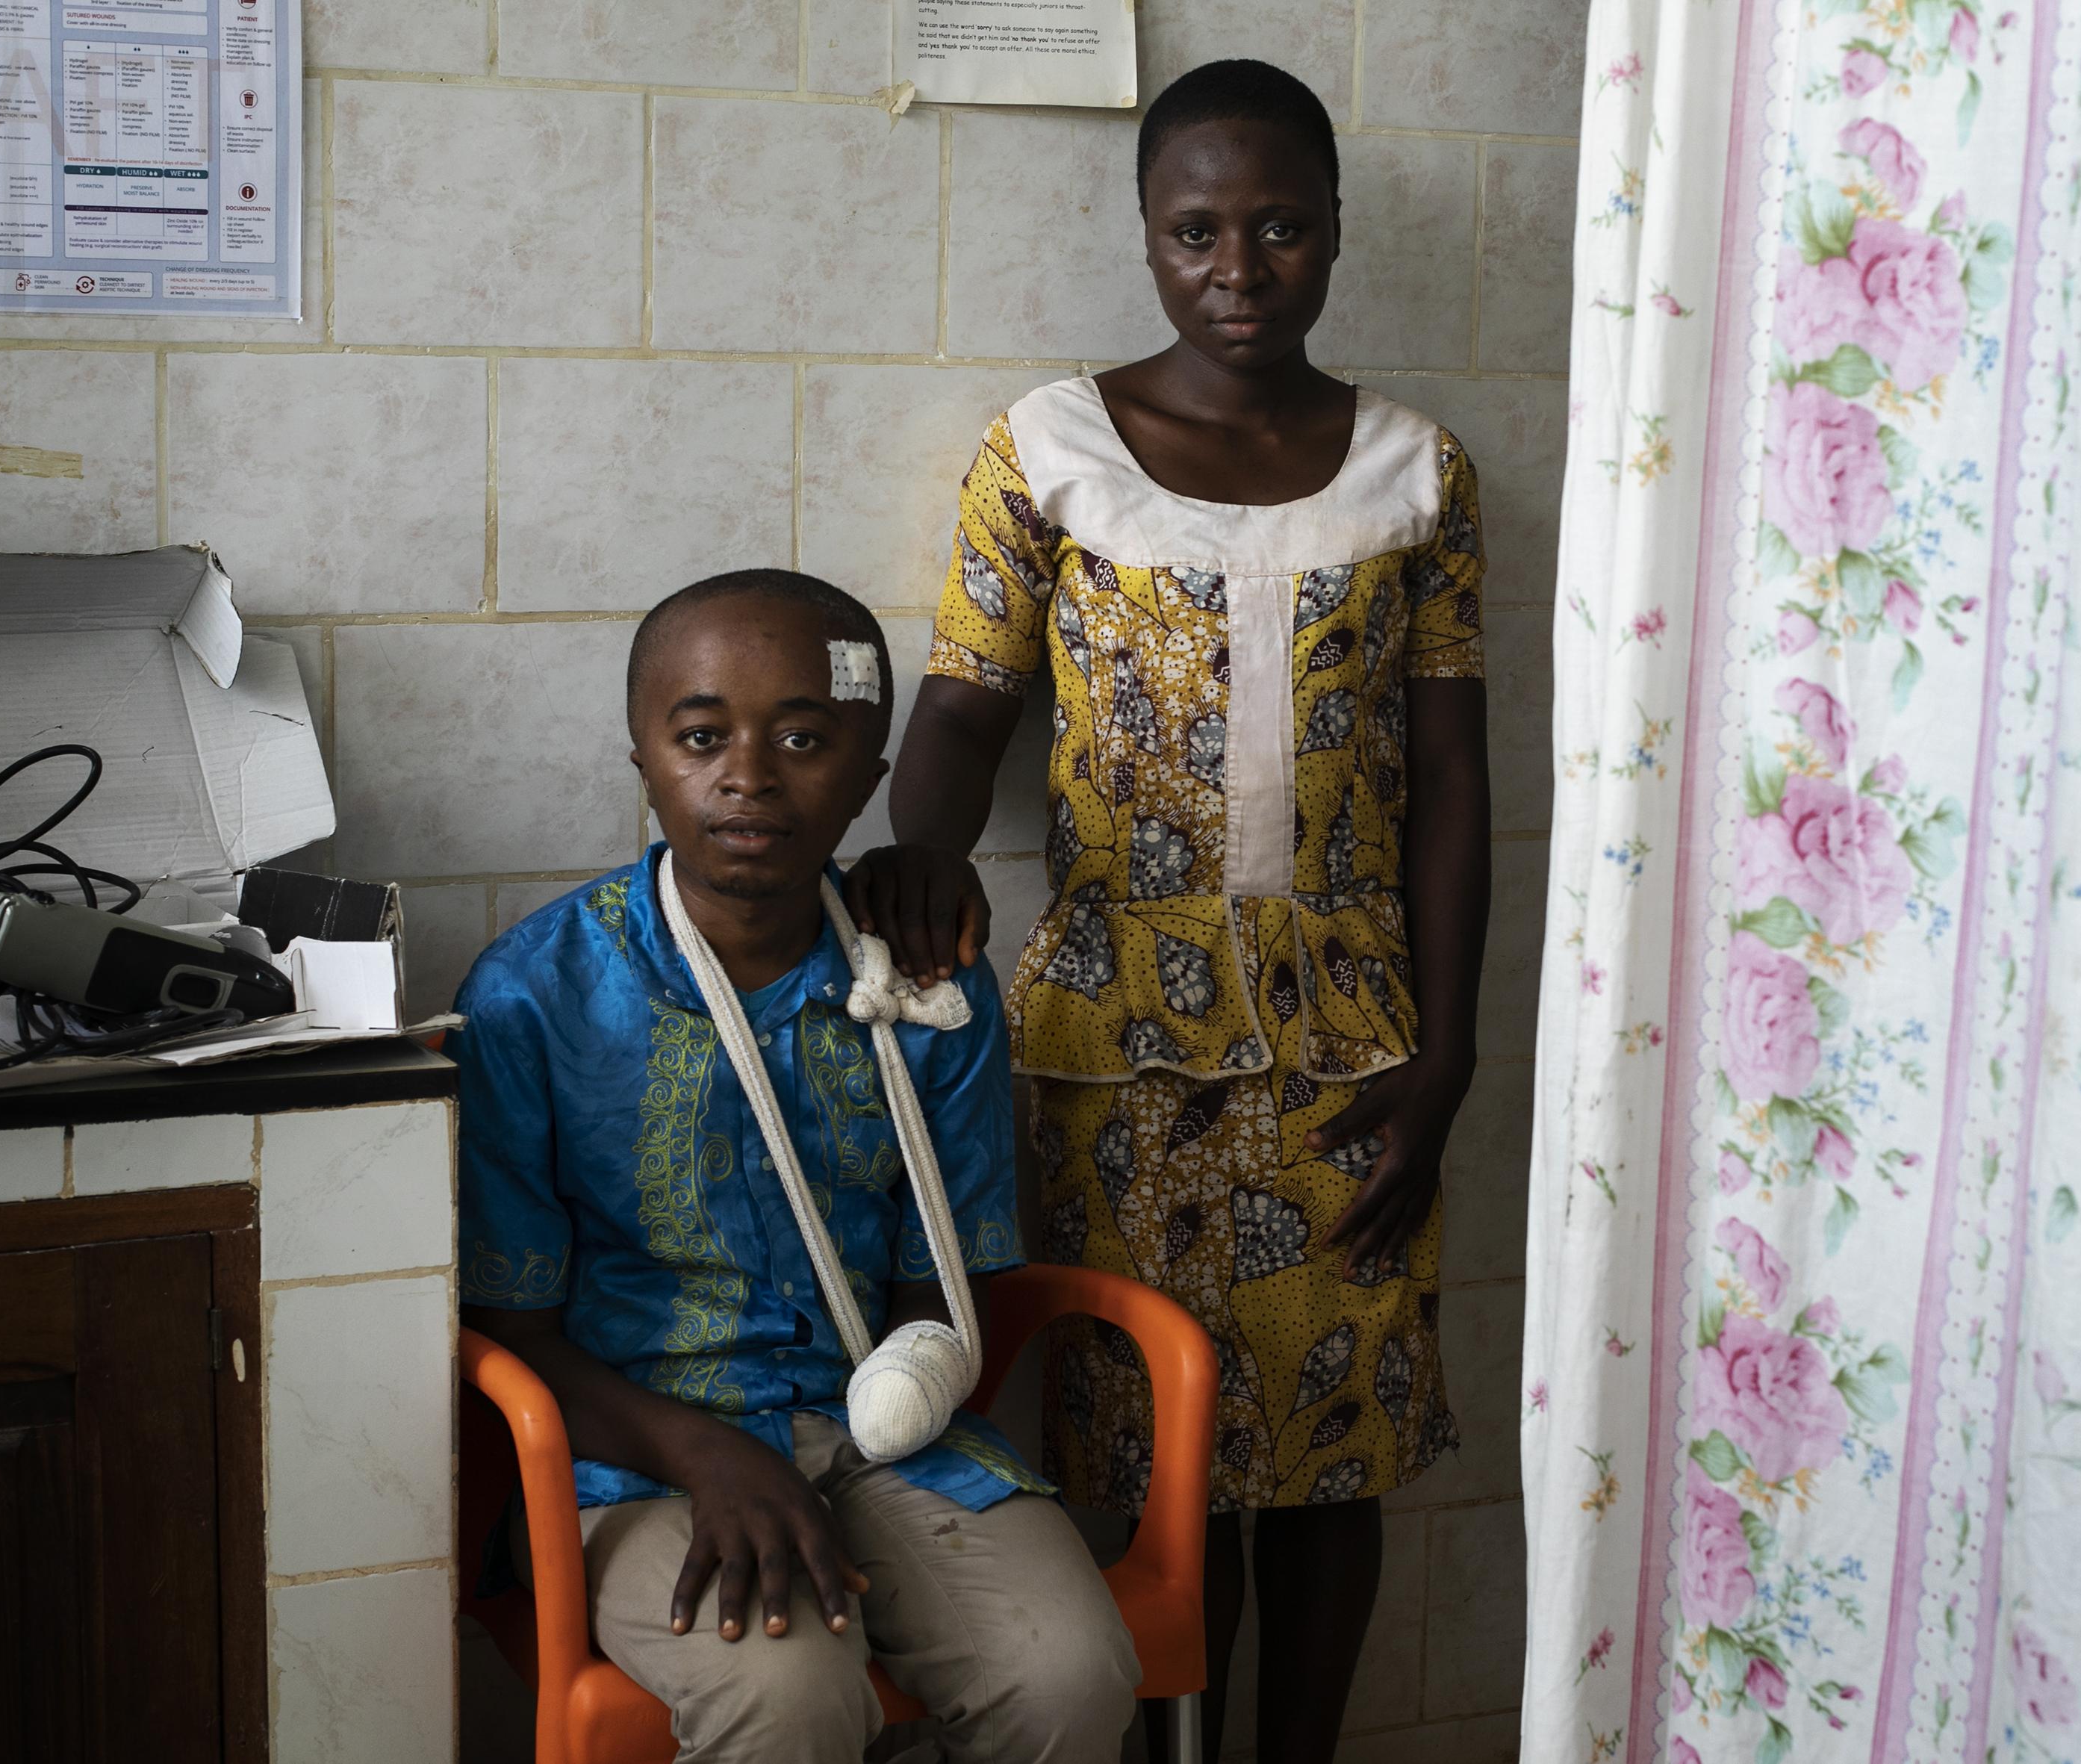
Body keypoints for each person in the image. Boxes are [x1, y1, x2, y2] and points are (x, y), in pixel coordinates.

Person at [844, 59, 1493, 1763]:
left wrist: (1448, 1056)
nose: (1237, 266)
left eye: (1279, 227)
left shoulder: (1420, 473)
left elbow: (1451, 785)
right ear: (1143, 235)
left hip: (1355, 1042)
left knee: (1329, 1456)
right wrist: (913, 857)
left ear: (1334, 232)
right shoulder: (1044, 451)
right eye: (1195, 229)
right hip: (1109, 1043)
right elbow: (965, 713)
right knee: (1139, 1453)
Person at [452, 569, 1140, 1763]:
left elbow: (946, 1291)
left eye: (806, 737)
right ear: (644, 757)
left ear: (871, 777)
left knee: (1071, 1673)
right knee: (787, 1693)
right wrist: (708, 1451)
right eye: (704, 734)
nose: (751, 774)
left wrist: (893, 1406)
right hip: (632, 1458)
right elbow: (512, 1326)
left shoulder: (923, 986)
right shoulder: (534, 995)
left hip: (878, 1428)